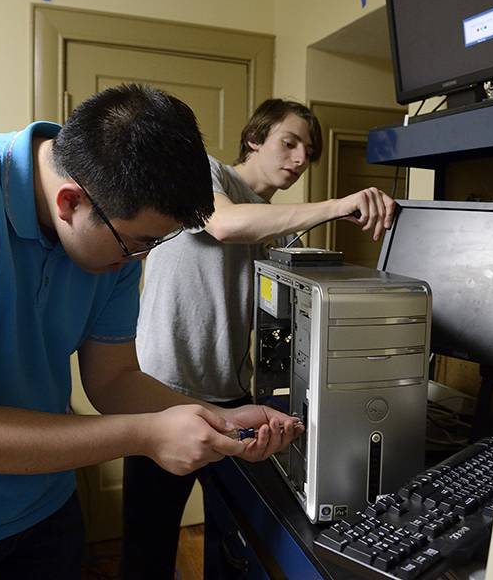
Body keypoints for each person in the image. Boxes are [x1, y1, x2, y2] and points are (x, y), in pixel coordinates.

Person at [0, 84, 302, 579]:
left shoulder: (116, 233)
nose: (142, 258)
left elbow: (114, 381)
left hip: (45, 504)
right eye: (138, 243)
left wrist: (217, 416)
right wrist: (146, 435)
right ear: (70, 202)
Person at [126, 98, 396, 579]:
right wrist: (339, 205)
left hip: (231, 397)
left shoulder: (275, 228)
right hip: (162, 392)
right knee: (148, 549)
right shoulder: (205, 174)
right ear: (255, 139)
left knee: (231, 539)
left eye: (307, 153)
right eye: (288, 143)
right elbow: (226, 224)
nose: (298, 160)